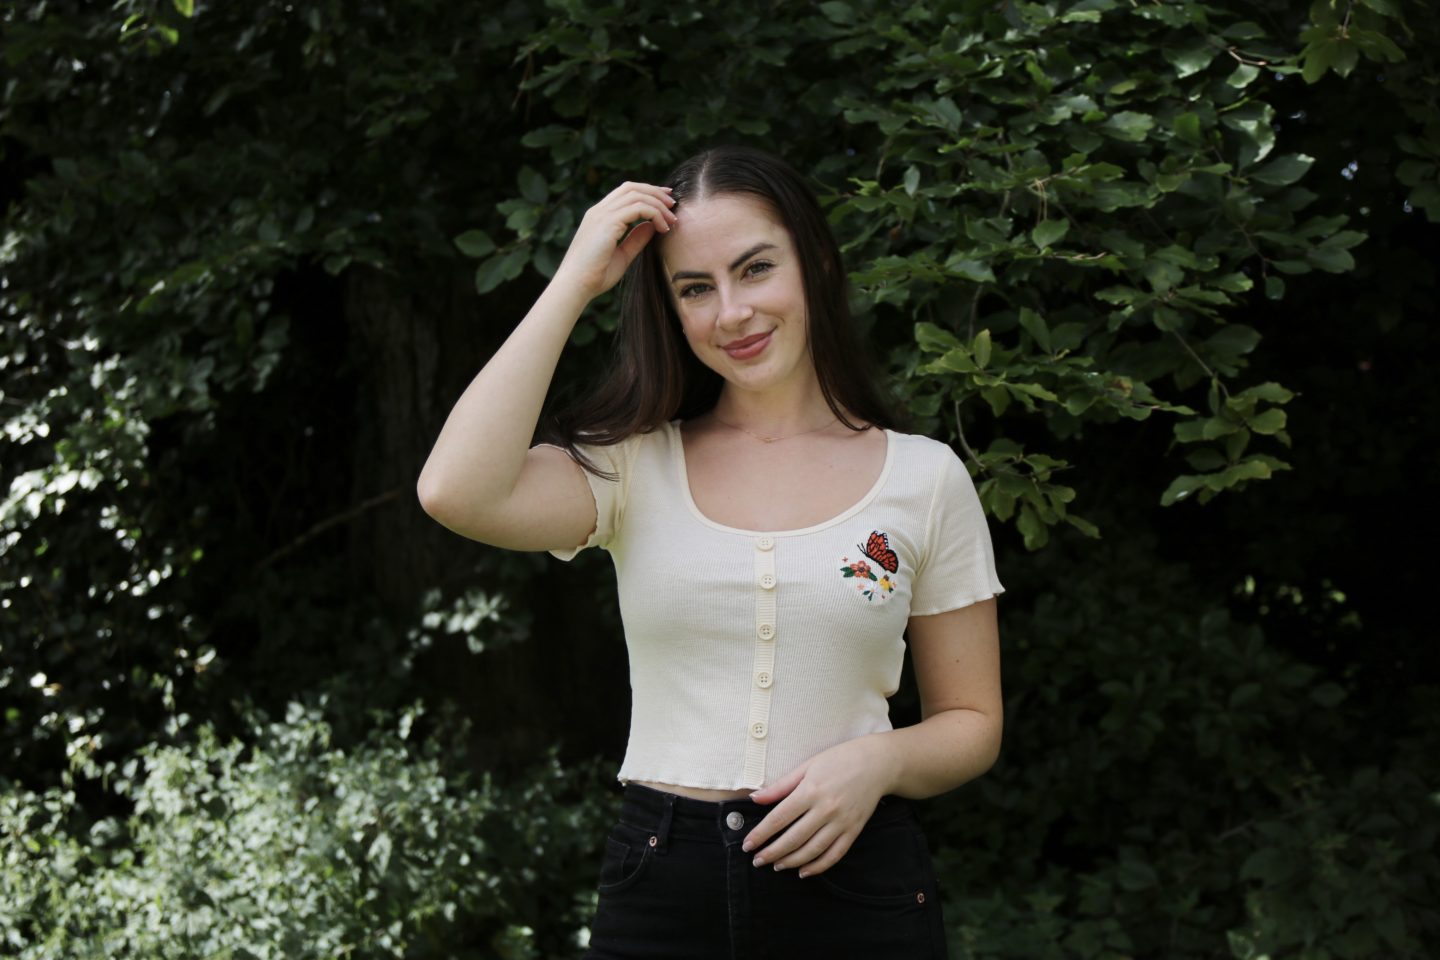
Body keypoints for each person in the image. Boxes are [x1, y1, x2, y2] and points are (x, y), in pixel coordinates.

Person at [417, 145, 1004, 959]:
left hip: (854, 885)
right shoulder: (631, 466)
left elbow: (973, 722)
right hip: (660, 890)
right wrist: (573, 283)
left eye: (756, 268)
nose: (731, 312)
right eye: (696, 288)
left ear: (819, 265)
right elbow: (455, 491)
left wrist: (880, 761)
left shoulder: (924, 478)